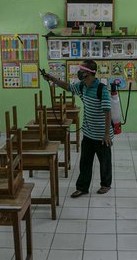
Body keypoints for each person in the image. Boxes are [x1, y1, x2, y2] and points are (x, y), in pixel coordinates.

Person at [42, 60, 113, 198]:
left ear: (89, 73)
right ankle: (82, 187)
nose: (79, 72)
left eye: (82, 70)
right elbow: (68, 87)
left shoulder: (101, 89)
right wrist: (51, 78)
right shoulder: (82, 86)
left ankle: (105, 184)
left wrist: (106, 134)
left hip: (102, 134)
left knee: (104, 161)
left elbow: (107, 112)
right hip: (88, 132)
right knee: (85, 162)